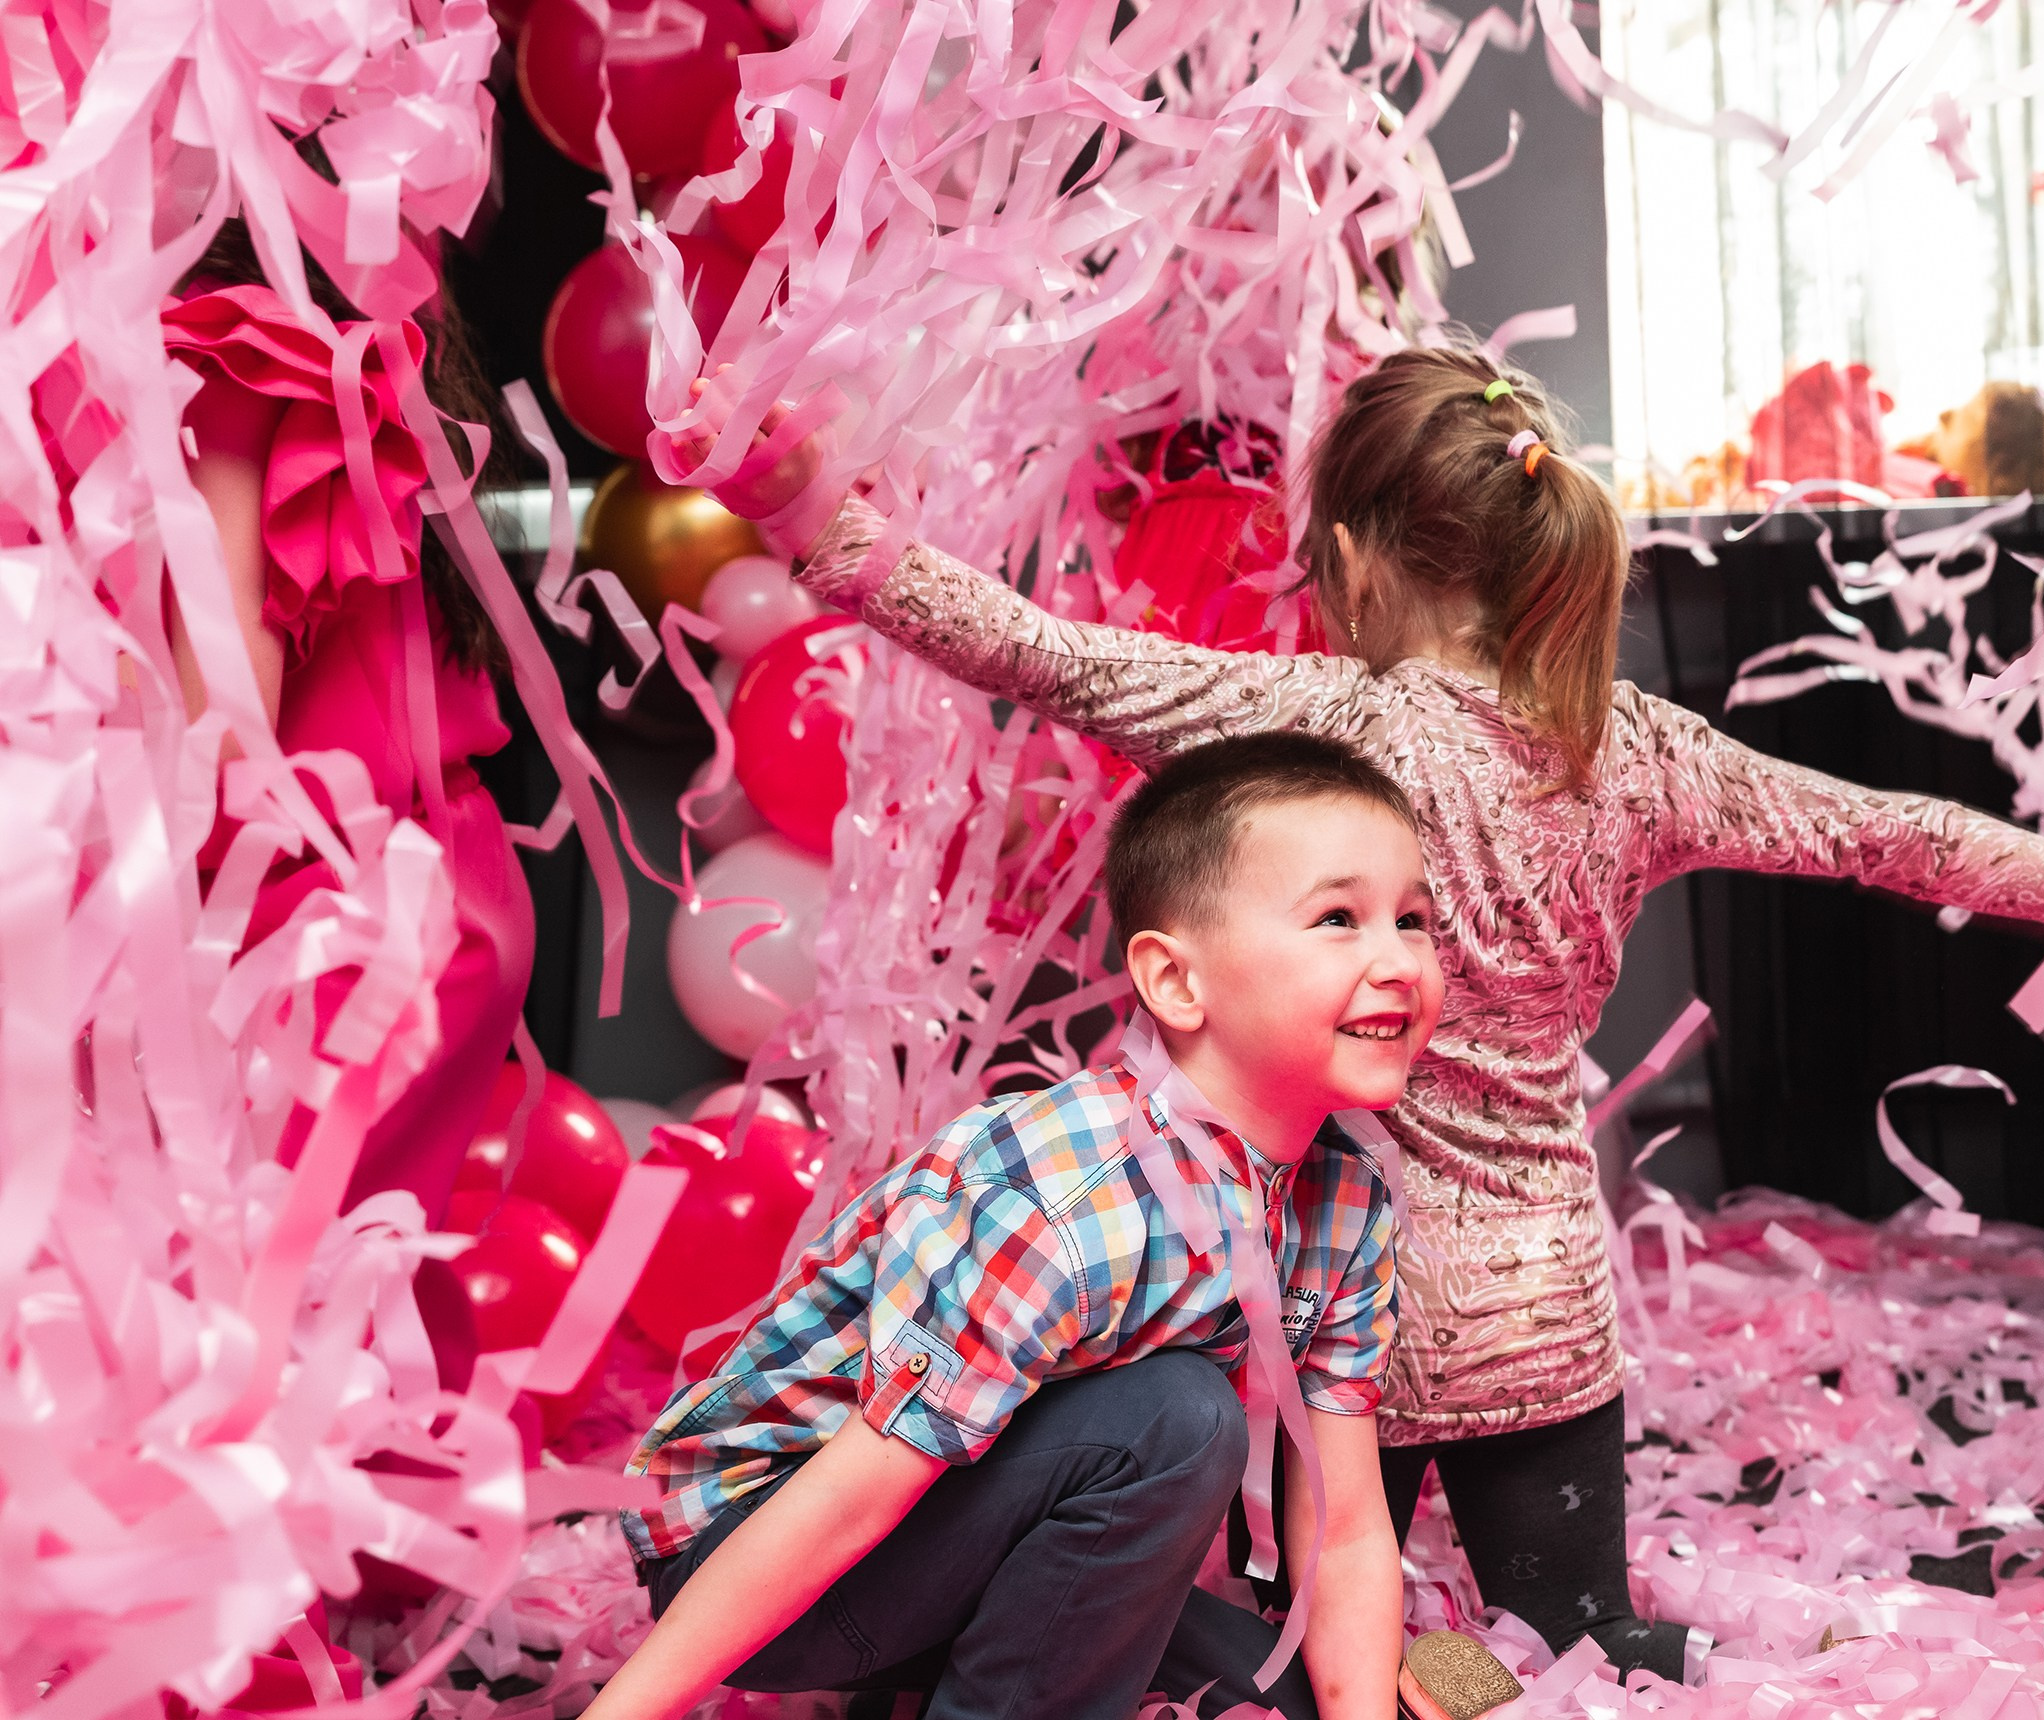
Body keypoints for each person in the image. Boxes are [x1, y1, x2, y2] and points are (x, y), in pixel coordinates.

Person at [701, 347, 2044, 1686]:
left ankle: (1388, 1692)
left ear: (1362, 556)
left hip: (1335, 1308)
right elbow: (1891, 834)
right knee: (1580, 1643)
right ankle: (1718, 1684)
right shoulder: (1636, 748)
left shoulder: (1330, 721)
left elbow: (1042, 654)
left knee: (1301, 1651)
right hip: (1541, 1305)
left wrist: (830, 523)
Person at [597, 733, 1475, 1720]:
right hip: (769, 1543)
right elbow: (855, 1493)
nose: (1399, 961)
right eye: (1337, 919)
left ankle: (922, 1685)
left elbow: (1347, 1528)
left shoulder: (1345, 1200)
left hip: (971, 1528)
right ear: (1177, 982)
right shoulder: (1073, 1195)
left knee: (1361, 1694)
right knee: (1179, 1416)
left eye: (1412, 920)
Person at [159, 221, 534, 1378]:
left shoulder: (224, 348)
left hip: (331, 931)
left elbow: (221, 725)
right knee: (355, 1318)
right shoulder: (351, 330)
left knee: (229, 1337)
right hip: (434, 891)